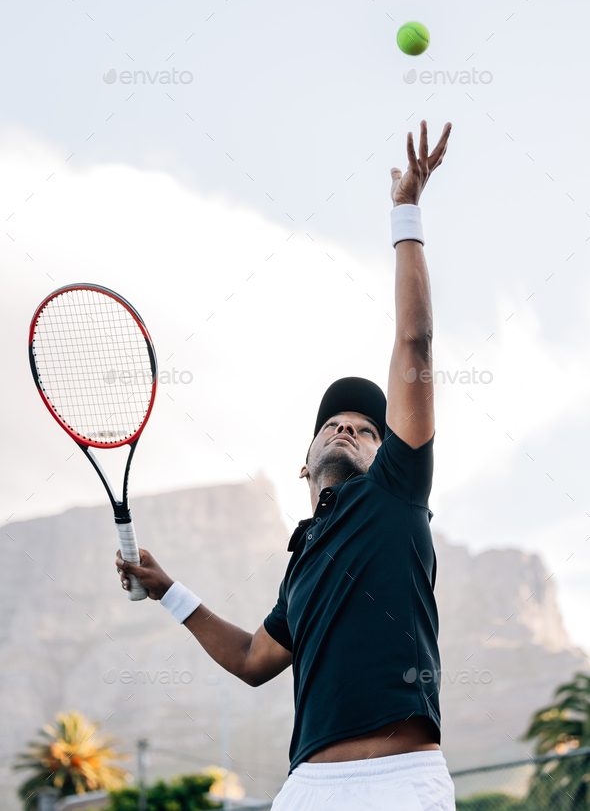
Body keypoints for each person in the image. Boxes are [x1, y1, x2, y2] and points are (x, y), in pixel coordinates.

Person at [116, 119, 454, 810]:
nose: (346, 427)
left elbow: (414, 344)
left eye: (366, 428)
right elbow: (250, 660)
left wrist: (406, 213)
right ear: (305, 465)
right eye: (332, 423)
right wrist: (168, 590)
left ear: (388, 451)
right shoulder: (302, 563)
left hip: (401, 782)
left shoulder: (398, 491)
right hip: (307, 786)